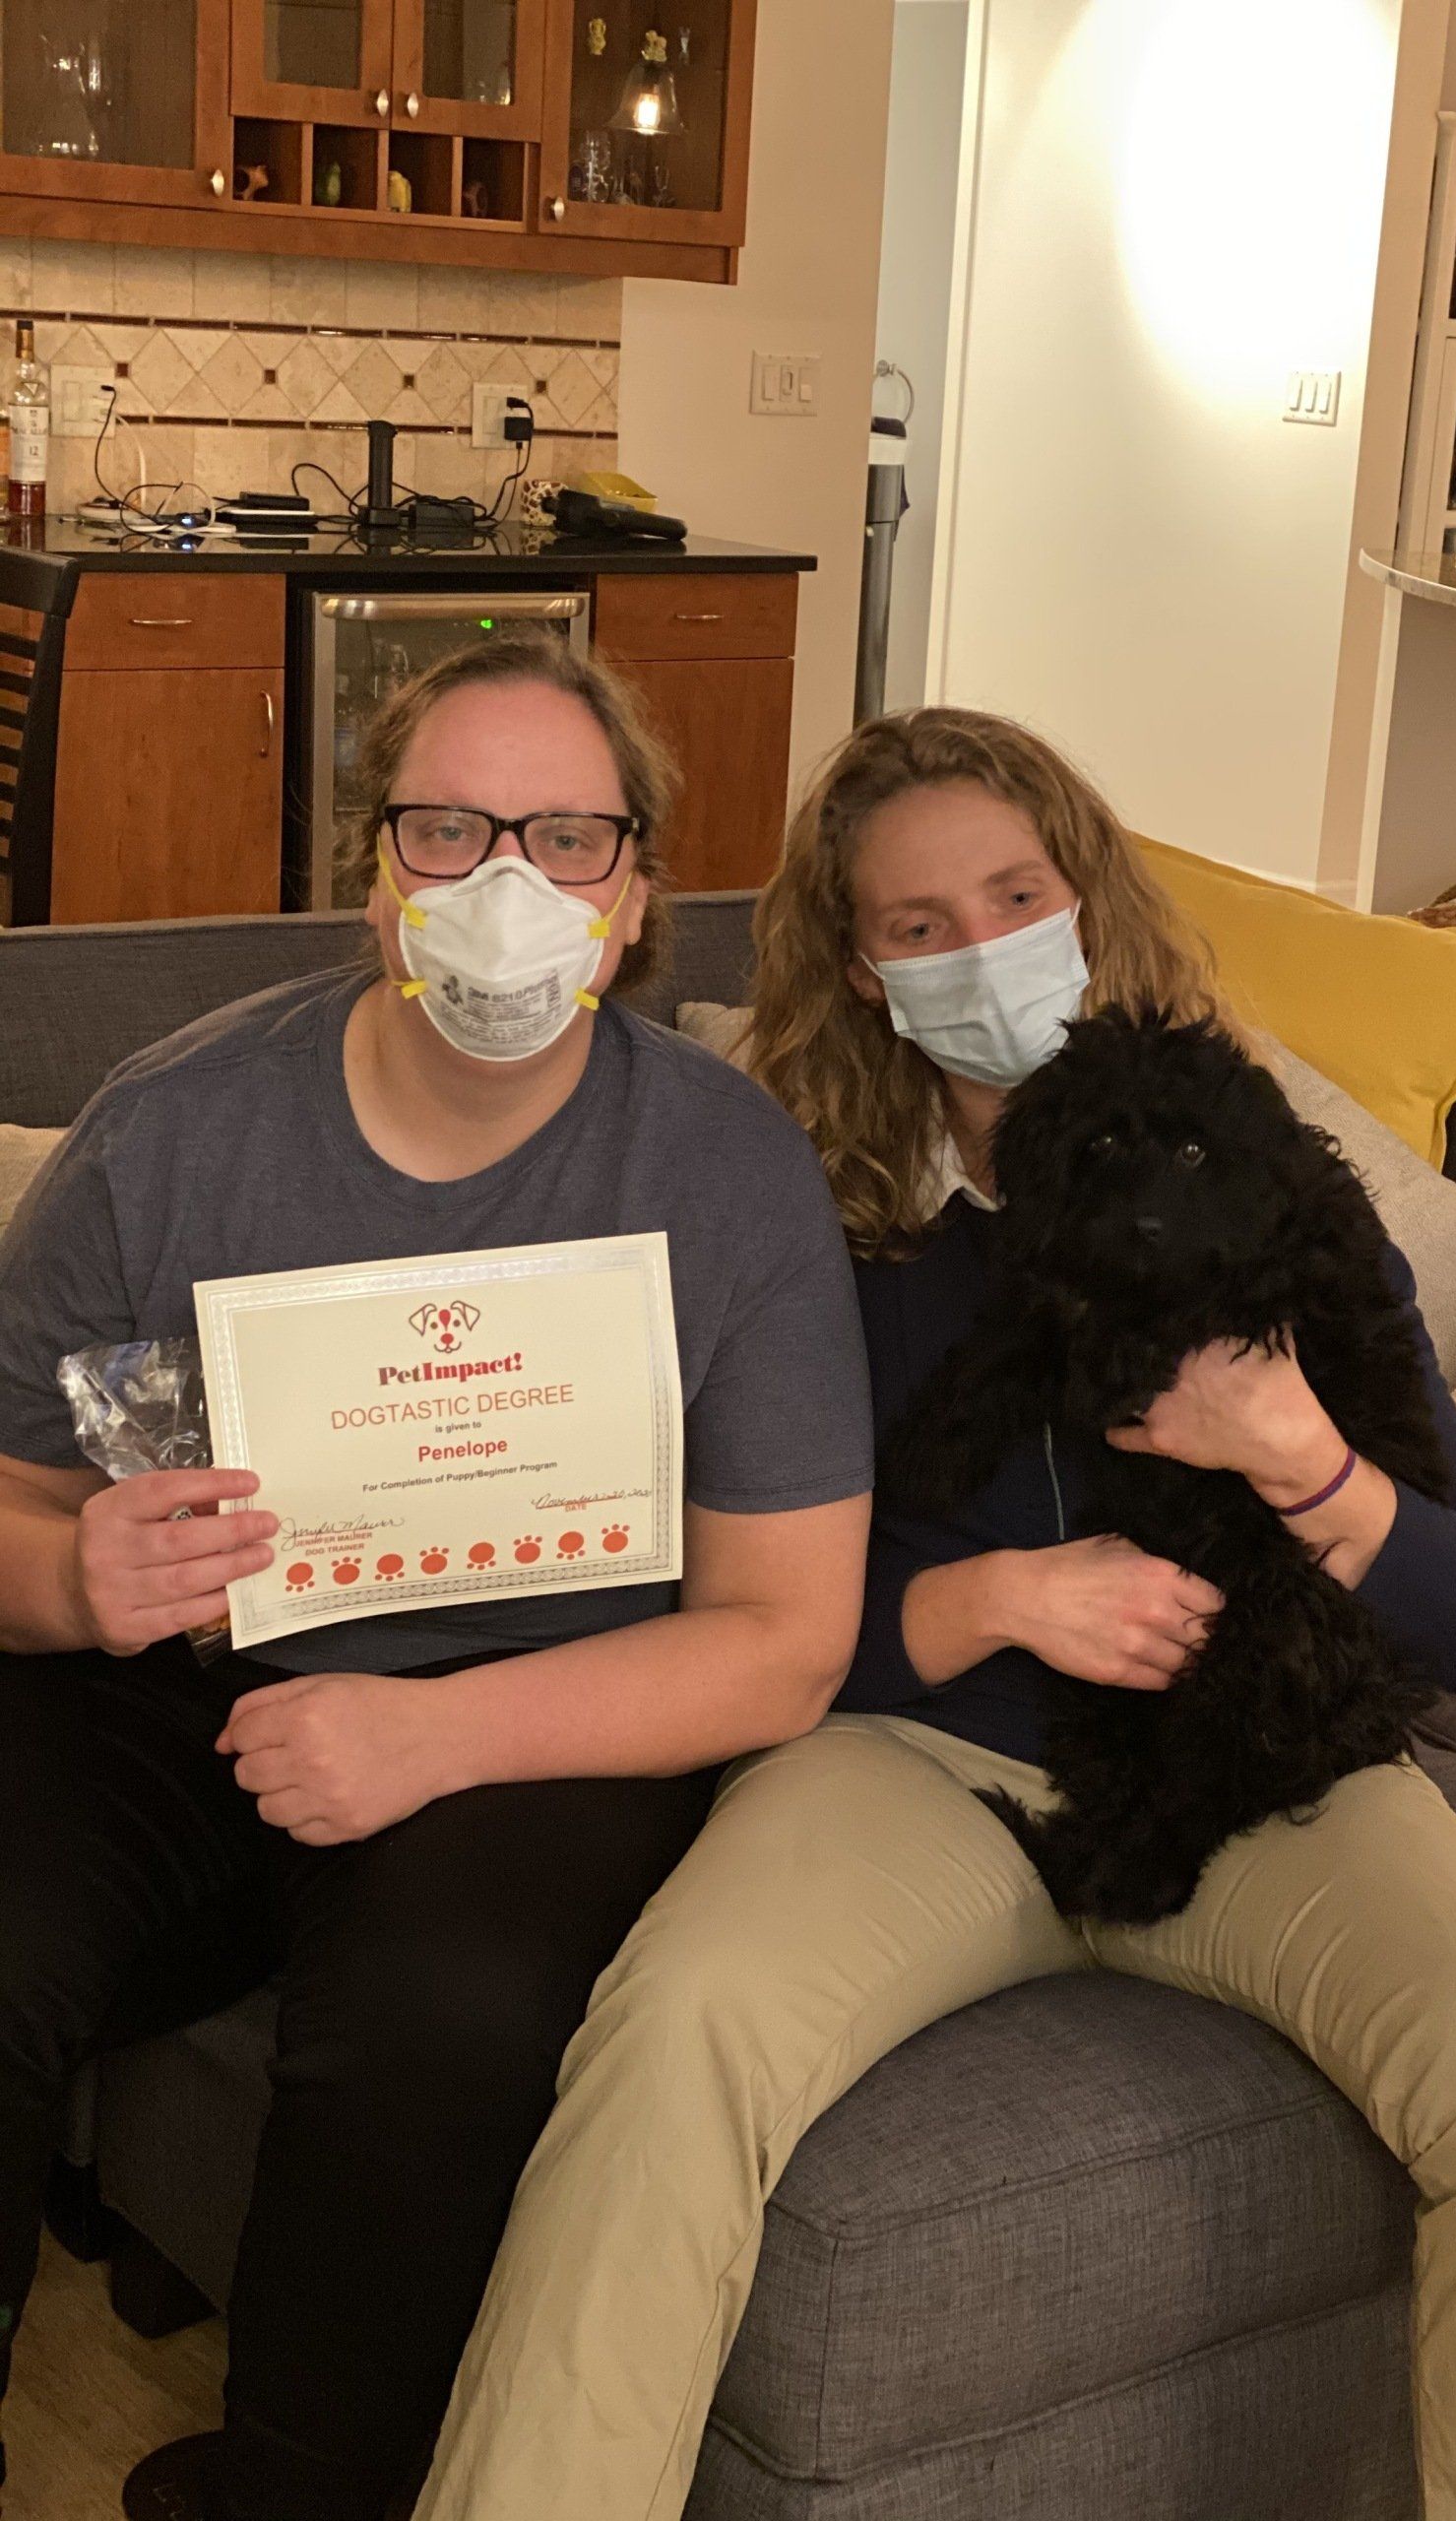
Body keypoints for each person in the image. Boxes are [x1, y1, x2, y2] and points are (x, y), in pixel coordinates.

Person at [416, 707, 1456, 2521]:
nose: (980, 948)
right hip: (914, 1764)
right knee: (676, 2026)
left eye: (1016, 895)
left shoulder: (1277, 1184)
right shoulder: (811, 1213)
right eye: (919, 924)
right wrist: (983, 1601)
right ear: (858, 965)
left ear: (1087, 901)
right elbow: (711, 1600)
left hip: (1255, 1771)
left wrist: (1299, 1453)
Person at [0, 635, 872, 2521]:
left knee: (450, 2026)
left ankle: (296, 2491)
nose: (502, 886)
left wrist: (433, 1735)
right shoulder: (175, 1127)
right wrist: (73, 1576)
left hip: (522, 1722)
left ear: (636, 902)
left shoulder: (722, 1169)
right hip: (179, 1681)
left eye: (566, 838)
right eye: (448, 826)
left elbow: (788, 1640)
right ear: (370, 875)